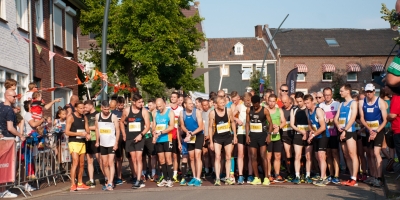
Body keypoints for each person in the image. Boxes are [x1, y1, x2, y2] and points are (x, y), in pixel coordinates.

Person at [358, 84, 387, 187]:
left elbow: (385, 120)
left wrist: (376, 131)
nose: (368, 93)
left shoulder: (380, 102)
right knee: (369, 154)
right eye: (367, 91)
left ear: (374, 91)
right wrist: (369, 129)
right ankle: (373, 176)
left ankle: (379, 178)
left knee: (376, 153)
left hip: (378, 130)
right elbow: (362, 118)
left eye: (370, 91)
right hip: (368, 130)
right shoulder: (362, 102)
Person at [0, 89, 26, 198]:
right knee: (5, 165)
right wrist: (20, 135)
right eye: (14, 96)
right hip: (8, 139)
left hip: (2, 138)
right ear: (7, 96)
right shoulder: (9, 110)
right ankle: (3, 190)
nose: (15, 98)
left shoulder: (0, 106)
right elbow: (10, 128)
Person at [120, 94, 150, 189]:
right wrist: (124, 134)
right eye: (139, 102)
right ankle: (137, 177)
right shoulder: (127, 110)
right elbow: (121, 121)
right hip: (130, 137)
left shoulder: (144, 111)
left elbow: (148, 126)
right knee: (133, 159)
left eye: (142, 102)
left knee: (139, 158)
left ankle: (138, 179)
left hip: (140, 137)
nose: (142, 104)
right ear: (134, 102)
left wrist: (141, 135)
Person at [334, 84, 359, 187]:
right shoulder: (341, 104)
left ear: (347, 91)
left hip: (350, 131)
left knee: (352, 154)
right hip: (342, 131)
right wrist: (339, 126)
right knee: (346, 155)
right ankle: (351, 177)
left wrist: (345, 130)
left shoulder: (353, 103)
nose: (340, 93)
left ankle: (354, 178)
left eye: (341, 91)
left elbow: (353, 119)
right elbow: (336, 118)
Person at [209, 96, 237, 186]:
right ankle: (217, 178)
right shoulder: (212, 113)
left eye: (223, 102)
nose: (222, 104)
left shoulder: (228, 110)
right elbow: (210, 127)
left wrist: (235, 136)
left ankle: (228, 177)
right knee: (217, 156)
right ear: (216, 104)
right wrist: (211, 141)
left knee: (228, 157)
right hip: (217, 137)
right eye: (220, 103)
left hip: (228, 136)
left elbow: (232, 122)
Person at [246, 95, 273, 185]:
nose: (255, 106)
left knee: (263, 156)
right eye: (254, 104)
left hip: (262, 135)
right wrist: (247, 135)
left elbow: (271, 123)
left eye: (256, 104)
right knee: (253, 156)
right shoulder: (249, 110)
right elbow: (247, 123)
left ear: (259, 102)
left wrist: (269, 135)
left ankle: (266, 178)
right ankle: (256, 177)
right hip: (253, 135)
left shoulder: (265, 110)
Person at [304, 94, 330, 186]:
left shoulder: (318, 110)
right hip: (316, 136)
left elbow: (323, 127)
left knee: (321, 156)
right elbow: (309, 124)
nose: (306, 105)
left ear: (312, 102)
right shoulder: (307, 111)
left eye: (308, 103)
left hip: (323, 135)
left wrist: (313, 134)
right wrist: (311, 131)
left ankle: (323, 178)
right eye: (305, 103)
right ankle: (324, 175)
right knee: (317, 157)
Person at [65, 101, 91, 191]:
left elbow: (87, 129)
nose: (83, 109)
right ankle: (73, 184)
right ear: (76, 108)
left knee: (82, 164)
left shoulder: (84, 117)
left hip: (82, 142)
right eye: (80, 108)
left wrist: (87, 134)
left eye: (83, 108)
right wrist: (79, 133)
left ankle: (80, 183)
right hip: (73, 142)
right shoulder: (71, 117)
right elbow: (67, 132)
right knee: (75, 162)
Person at [95, 100, 120, 191]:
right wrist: (97, 140)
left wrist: (116, 142)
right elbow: (97, 129)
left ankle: (110, 182)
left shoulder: (113, 117)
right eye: (105, 109)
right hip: (103, 143)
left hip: (111, 143)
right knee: (104, 163)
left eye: (108, 109)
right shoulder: (97, 116)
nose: (106, 111)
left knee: (110, 162)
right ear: (101, 108)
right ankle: (109, 180)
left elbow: (117, 130)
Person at [180, 97, 204, 186]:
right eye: (189, 103)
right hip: (190, 136)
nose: (191, 105)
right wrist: (187, 132)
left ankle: (198, 178)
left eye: (192, 103)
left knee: (197, 155)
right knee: (191, 157)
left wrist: (191, 133)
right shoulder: (182, 113)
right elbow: (182, 126)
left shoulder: (196, 112)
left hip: (198, 134)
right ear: (185, 105)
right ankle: (194, 177)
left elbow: (201, 127)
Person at [290, 92, 313, 184]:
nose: (299, 103)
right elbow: (292, 124)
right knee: (297, 155)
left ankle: (307, 175)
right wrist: (301, 131)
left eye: (300, 101)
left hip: (308, 134)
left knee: (308, 156)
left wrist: (308, 133)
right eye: (297, 101)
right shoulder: (294, 109)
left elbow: (311, 122)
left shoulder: (308, 109)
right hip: (298, 134)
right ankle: (297, 175)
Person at [319, 87, 340, 184]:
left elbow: (340, 118)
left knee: (335, 153)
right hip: (325, 134)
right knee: (328, 154)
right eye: (325, 95)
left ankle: (337, 175)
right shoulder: (320, 105)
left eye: (329, 95)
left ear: (332, 95)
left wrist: (332, 120)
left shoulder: (337, 104)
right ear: (323, 96)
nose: (327, 96)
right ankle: (331, 174)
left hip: (334, 133)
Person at [153, 98, 176, 187]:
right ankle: (165, 178)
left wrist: (161, 132)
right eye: (157, 106)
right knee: (161, 160)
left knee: (168, 159)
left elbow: (172, 126)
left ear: (164, 104)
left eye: (160, 106)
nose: (159, 108)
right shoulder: (155, 113)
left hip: (167, 137)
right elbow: (154, 126)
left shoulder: (170, 112)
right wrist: (154, 133)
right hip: (159, 139)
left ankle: (170, 179)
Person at [265, 94, 286, 183]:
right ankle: (269, 174)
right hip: (268, 137)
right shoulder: (265, 110)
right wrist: (269, 127)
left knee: (277, 156)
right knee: (268, 157)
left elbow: (284, 122)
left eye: (273, 101)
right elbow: (262, 124)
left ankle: (277, 174)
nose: (272, 103)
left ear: (276, 101)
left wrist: (278, 127)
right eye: (270, 101)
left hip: (277, 137)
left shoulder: (279, 110)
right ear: (268, 101)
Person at [112, 97, 131, 185]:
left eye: (122, 105)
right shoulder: (113, 113)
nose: (120, 106)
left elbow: (130, 122)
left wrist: (123, 122)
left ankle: (133, 175)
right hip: (117, 136)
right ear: (116, 105)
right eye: (119, 105)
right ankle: (119, 176)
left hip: (127, 135)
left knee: (129, 155)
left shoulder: (126, 112)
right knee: (118, 157)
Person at [83, 100, 102, 188]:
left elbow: (98, 127)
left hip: (96, 139)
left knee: (99, 159)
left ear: (91, 106)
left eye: (86, 107)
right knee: (89, 160)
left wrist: (88, 128)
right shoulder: (85, 116)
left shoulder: (97, 114)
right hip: (88, 140)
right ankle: (91, 180)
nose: (85, 109)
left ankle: (106, 177)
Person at [231, 91, 248, 184]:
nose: (234, 102)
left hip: (250, 132)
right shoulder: (238, 106)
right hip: (241, 132)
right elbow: (230, 116)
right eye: (232, 101)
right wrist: (237, 119)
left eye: (235, 100)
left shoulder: (249, 105)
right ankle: (241, 175)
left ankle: (249, 174)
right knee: (241, 154)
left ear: (239, 98)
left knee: (249, 155)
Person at [167, 92, 183, 182]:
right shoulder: (167, 108)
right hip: (168, 134)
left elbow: (181, 124)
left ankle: (175, 173)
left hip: (177, 134)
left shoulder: (180, 109)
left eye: (174, 97)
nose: (172, 98)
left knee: (176, 155)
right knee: (169, 155)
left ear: (178, 99)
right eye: (172, 97)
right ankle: (169, 172)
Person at [281, 95, 295, 181]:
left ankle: (295, 171)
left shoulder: (294, 109)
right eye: (282, 102)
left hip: (293, 134)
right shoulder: (281, 110)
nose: (284, 104)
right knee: (288, 154)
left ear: (290, 101)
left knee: (295, 153)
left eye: (285, 102)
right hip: (285, 134)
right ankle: (289, 171)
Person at [142, 98, 157, 181]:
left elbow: (151, 125)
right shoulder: (135, 113)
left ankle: (153, 173)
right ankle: (143, 174)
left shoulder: (148, 114)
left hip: (148, 136)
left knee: (152, 155)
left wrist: (153, 134)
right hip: (140, 137)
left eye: (142, 102)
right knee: (142, 157)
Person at [201, 99, 214, 178]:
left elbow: (213, 126)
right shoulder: (200, 113)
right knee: (205, 154)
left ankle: (213, 170)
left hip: (210, 136)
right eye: (204, 105)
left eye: (206, 105)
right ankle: (206, 170)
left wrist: (210, 135)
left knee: (212, 154)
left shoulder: (211, 112)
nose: (205, 106)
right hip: (203, 136)